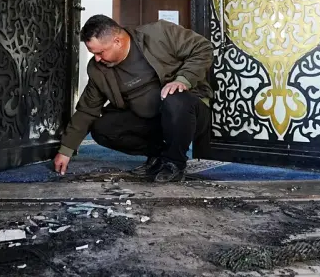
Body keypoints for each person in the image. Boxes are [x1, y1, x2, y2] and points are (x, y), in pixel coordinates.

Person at [53, 14, 213, 182]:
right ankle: (159, 155)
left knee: (174, 98)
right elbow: (87, 110)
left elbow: (202, 47)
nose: (97, 59)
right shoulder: (98, 69)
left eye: (100, 52)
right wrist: (66, 150)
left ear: (117, 41)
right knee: (102, 128)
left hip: (187, 113)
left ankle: (174, 163)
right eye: (94, 54)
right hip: (149, 121)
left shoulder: (159, 33)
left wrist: (183, 80)